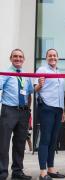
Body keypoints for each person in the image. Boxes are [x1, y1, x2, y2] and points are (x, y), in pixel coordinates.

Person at [0, 49, 33, 180]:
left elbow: (29, 92)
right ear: (11, 58)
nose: (18, 59)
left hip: (23, 112)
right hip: (9, 110)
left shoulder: (26, 75)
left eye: (20, 57)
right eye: (15, 56)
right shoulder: (5, 73)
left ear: (23, 59)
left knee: (20, 143)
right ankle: (2, 172)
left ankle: (17, 171)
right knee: (3, 143)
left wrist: (28, 110)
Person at [34, 49, 65, 180]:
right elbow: (34, 89)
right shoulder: (41, 70)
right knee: (45, 139)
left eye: (54, 55)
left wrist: (63, 110)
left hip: (58, 109)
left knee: (53, 140)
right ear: (46, 58)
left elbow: (61, 93)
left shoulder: (59, 73)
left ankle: (51, 169)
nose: (52, 57)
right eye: (50, 55)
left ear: (58, 57)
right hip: (46, 107)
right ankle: (42, 172)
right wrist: (40, 85)